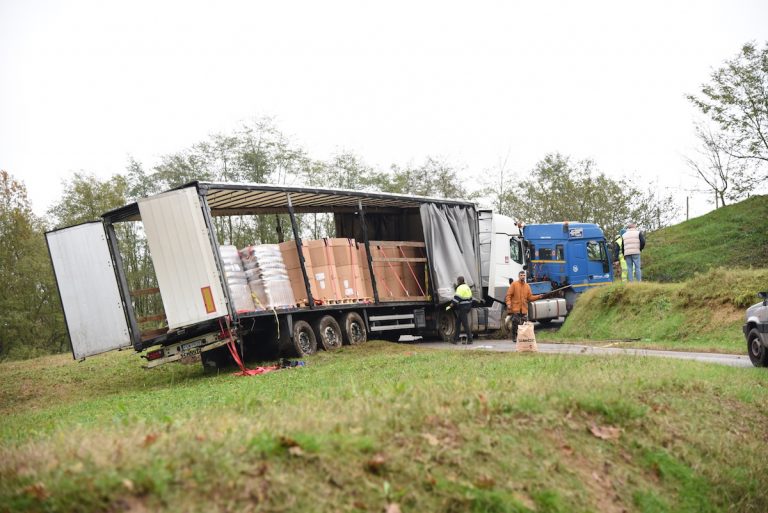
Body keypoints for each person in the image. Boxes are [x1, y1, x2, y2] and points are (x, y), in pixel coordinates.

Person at [505, 270, 543, 343]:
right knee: (515, 322)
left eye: (524, 275)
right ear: (519, 276)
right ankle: (514, 336)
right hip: (515, 308)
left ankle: (522, 338)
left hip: (524, 309)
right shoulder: (514, 284)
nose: (522, 277)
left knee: (523, 325)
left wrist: (538, 297)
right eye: (521, 275)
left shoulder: (527, 286)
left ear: (525, 276)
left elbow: (530, 297)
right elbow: (508, 295)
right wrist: (509, 304)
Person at [449, 276, 474, 344]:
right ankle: (455, 339)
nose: (457, 282)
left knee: (465, 324)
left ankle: (470, 339)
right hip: (468, 306)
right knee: (458, 323)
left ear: (459, 281)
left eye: (457, 281)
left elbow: (457, 297)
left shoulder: (460, 288)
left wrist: (452, 304)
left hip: (463, 307)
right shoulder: (466, 286)